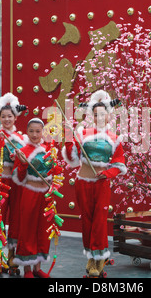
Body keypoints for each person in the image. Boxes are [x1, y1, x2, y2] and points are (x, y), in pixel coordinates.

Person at [61, 90, 126, 277]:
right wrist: (68, 137)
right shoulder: (82, 133)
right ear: (92, 115)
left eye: (103, 114)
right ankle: (92, 256)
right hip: (83, 182)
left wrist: (107, 174)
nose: (99, 117)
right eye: (96, 114)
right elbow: (73, 158)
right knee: (87, 221)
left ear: (108, 115)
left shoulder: (114, 138)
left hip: (101, 184)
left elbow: (119, 163)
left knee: (99, 221)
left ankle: (99, 259)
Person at [0, 92, 26, 270]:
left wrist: (18, 157)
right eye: (3, 116)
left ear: (15, 118)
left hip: (16, 183)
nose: (7, 119)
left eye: (10, 116)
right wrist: (0, 145)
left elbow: (25, 165)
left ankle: (12, 256)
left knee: (16, 219)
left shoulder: (21, 139)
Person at [12, 118, 53, 278]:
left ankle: (38, 267)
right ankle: (27, 269)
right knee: (27, 230)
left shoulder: (48, 149)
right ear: (27, 132)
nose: (35, 134)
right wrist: (22, 164)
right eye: (31, 131)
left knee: (43, 231)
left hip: (46, 196)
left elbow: (54, 172)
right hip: (29, 194)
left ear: (43, 132)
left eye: (38, 131)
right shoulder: (22, 151)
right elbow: (19, 178)